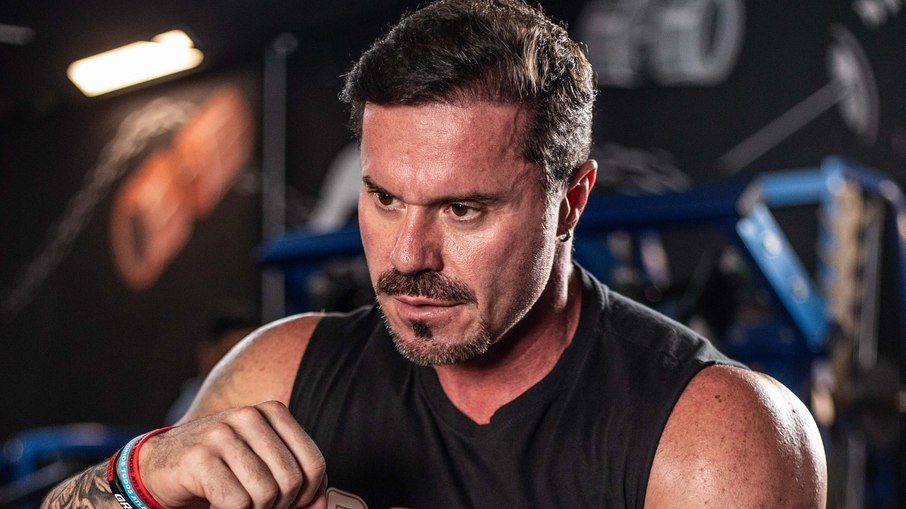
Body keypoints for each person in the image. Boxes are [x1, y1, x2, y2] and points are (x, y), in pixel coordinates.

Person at [42, 0, 827, 508]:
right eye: (385, 198)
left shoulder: (712, 437)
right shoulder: (282, 371)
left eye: (463, 208)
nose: (408, 255)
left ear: (571, 201)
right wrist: (144, 474)